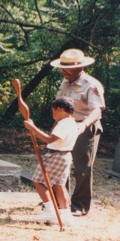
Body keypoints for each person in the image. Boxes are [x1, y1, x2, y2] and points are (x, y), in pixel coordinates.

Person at [50, 48, 106, 217]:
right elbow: (60, 107)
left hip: (85, 127)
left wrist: (83, 126)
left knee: (82, 167)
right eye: (62, 68)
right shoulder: (64, 83)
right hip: (65, 127)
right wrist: (55, 128)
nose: (63, 71)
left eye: (67, 69)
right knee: (59, 163)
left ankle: (79, 205)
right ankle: (61, 202)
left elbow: (97, 110)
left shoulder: (91, 84)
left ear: (79, 68)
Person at [24, 97, 78, 227]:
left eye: (53, 111)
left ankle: (50, 210)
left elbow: (50, 140)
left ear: (60, 109)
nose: (53, 115)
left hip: (57, 156)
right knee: (58, 185)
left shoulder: (64, 124)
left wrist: (33, 128)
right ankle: (66, 215)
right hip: (64, 155)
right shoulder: (71, 122)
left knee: (38, 180)